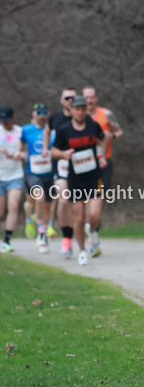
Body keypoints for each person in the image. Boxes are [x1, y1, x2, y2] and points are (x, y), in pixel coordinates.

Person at [50, 95, 107, 265]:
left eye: (83, 109)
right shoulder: (64, 130)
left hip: (94, 177)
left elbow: (104, 138)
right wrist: (63, 154)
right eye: (77, 109)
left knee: (95, 215)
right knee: (79, 217)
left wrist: (102, 155)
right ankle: (82, 250)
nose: (81, 112)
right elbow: (53, 151)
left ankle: (93, 230)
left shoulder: (93, 125)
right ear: (72, 110)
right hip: (75, 179)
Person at [82, 86, 123, 256]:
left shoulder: (105, 114)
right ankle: (90, 235)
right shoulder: (78, 117)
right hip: (83, 165)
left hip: (103, 164)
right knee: (84, 202)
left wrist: (110, 136)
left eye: (92, 97)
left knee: (98, 203)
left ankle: (93, 227)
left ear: (96, 98)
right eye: (86, 98)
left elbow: (119, 131)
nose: (89, 101)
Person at [43, 89, 77, 258]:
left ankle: (83, 235)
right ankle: (66, 237)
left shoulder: (81, 118)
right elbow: (47, 131)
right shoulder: (55, 118)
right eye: (67, 98)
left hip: (79, 167)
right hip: (60, 165)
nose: (70, 100)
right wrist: (45, 148)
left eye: (73, 97)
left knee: (75, 204)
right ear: (61, 100)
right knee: (63, 201)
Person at [20, 103, 55, 252]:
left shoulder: (52, 131)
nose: (41, 116)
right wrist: (21, 155)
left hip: (49, 172)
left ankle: (43, 234)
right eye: (38, 112)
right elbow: (20, 148)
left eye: (44, 113)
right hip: (32, 172)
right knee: (38, 198)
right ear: (33, 114)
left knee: (47, 205)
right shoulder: (26, 130)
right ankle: (39, 229)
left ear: (47, 115)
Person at [0, 106, 24, 253]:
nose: (4, 123)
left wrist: (19, 154)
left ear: (13, 118)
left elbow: (28, 151)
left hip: (15, 175)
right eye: (2, 121)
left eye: (7, 120)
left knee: (13, 206)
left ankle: (7, 240)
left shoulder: (20, 132)